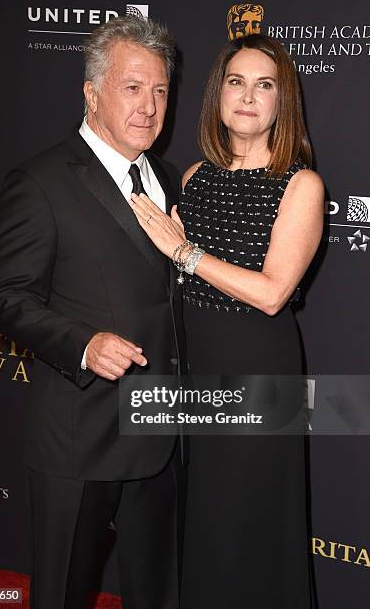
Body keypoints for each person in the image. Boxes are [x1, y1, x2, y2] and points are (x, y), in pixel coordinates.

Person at [0, 15, 185, 609]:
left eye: (160, 90)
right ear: (92, 93)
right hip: (80, 436)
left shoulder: (168, 178)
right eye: (131, 87)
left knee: (159, 593)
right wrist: (82, 343)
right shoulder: (41, 181)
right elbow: (5, 297)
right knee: (65, 595)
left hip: (162, 432)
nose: (149, 107)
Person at [128, 33, 324, 608]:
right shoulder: (192, 179)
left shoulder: (301, 184)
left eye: (265, 85)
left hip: (258, 371)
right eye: (236, 82)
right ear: (217, 95)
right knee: (205, 514)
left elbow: (271, 293)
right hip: (194, 368)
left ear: (282, 102)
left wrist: (184, 252)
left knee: (253, 517)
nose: (247, 96)